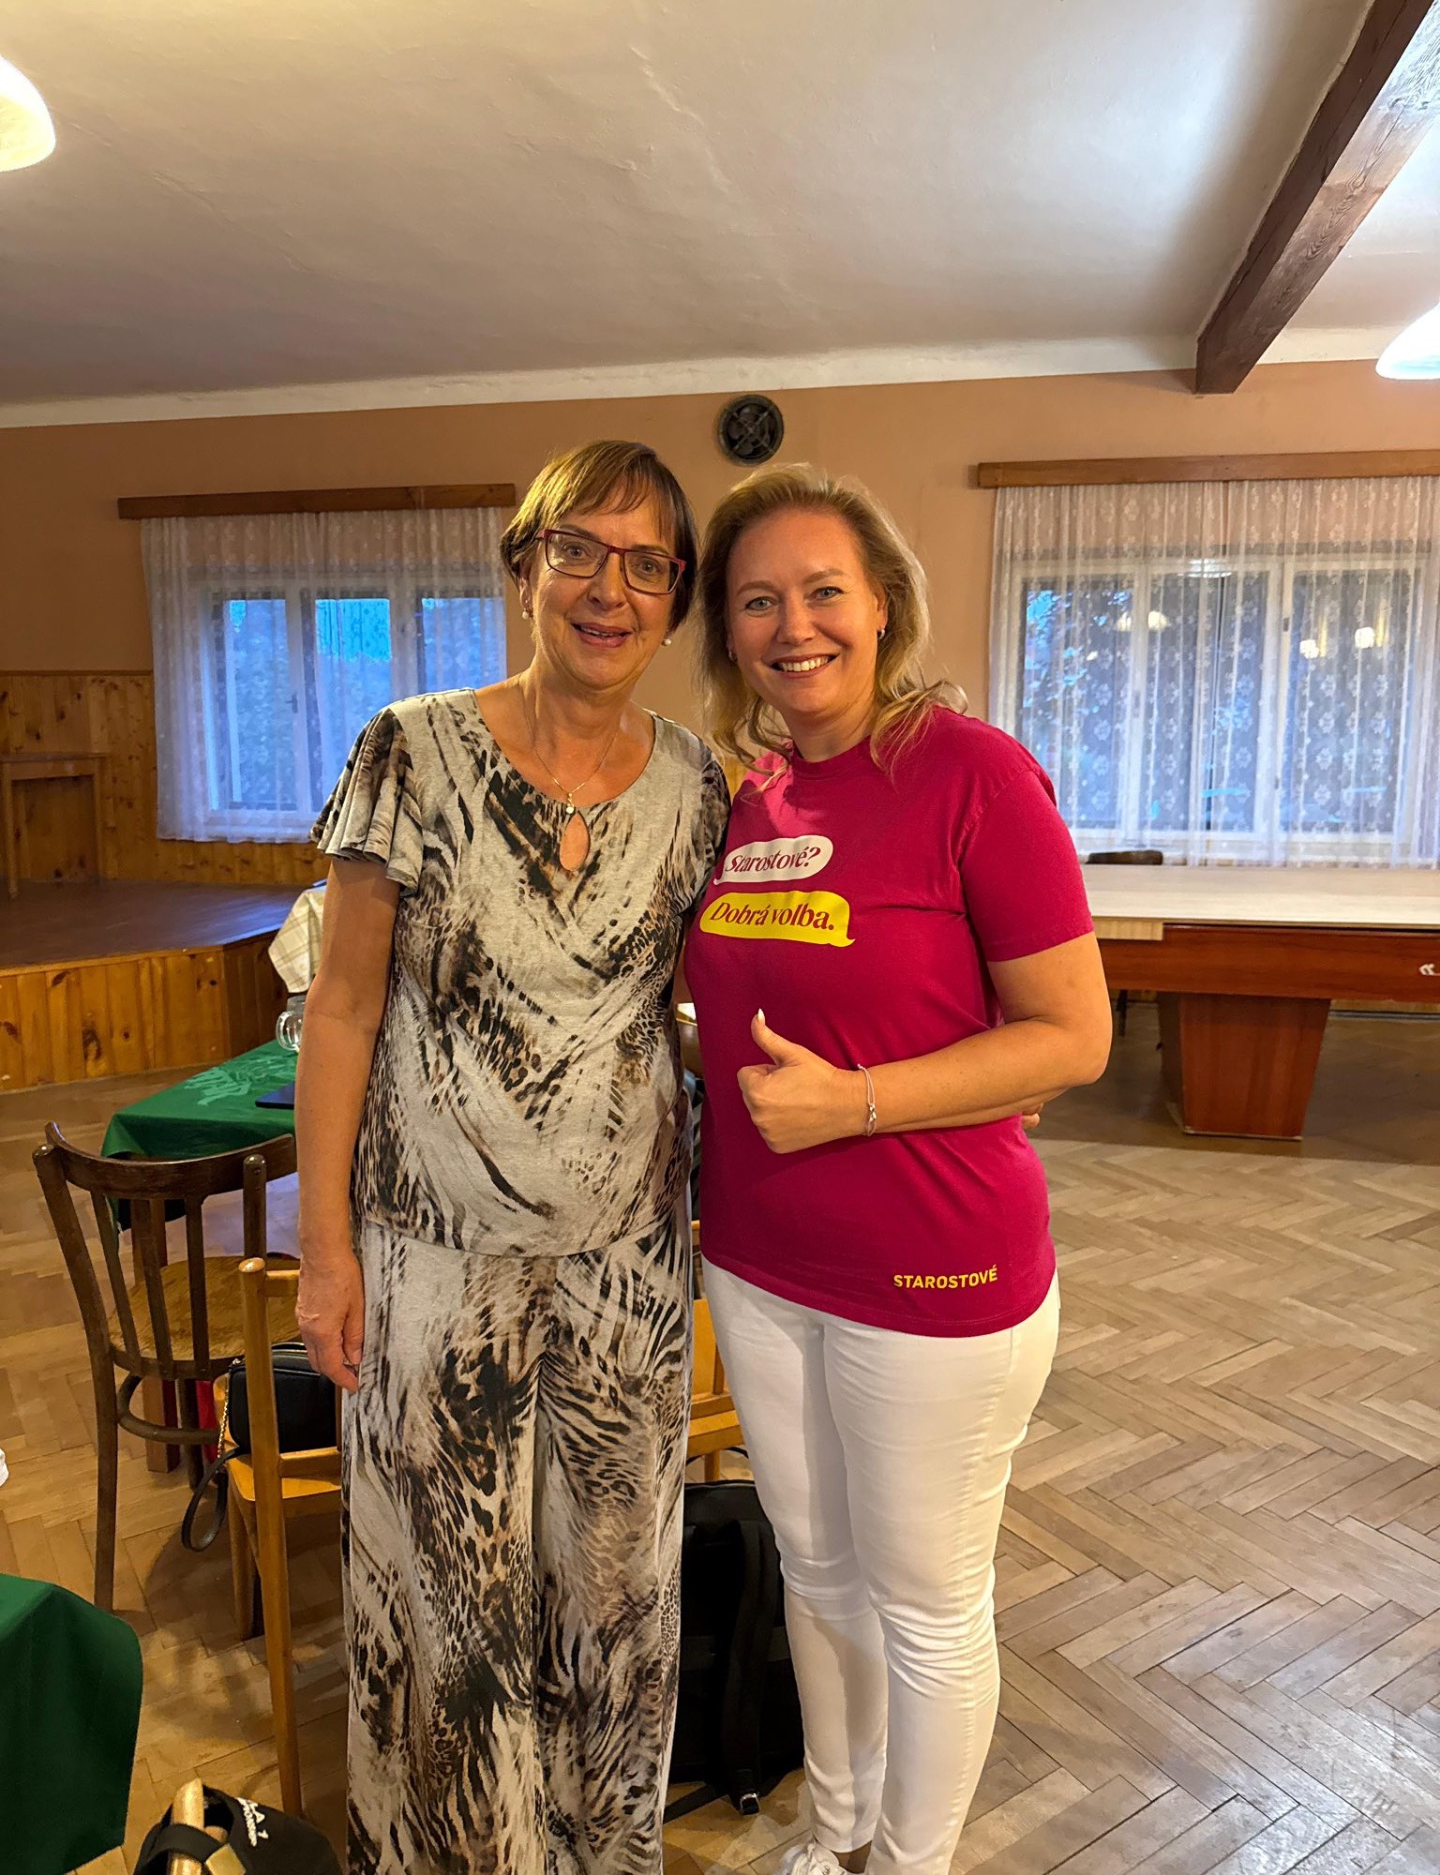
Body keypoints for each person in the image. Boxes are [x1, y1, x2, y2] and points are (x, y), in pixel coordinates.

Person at [295, 441, 729, 1875]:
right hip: (435, 1270)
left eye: (647, 564)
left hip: (624, 1275)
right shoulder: (410, 750)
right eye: (577, 551)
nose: (610, 588)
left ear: (676, 599)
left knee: (614, 1606)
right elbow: (343, 1007)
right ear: (524, 566)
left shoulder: (699, 786)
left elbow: (720, 995)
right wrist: (325, 1252)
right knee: (450, 1614)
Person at [683, 465, 1113, 1875]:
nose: (793, 624)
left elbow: (1075, 1035)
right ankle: (837, 1833)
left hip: (937, 1267)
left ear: (882, 607)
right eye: (758, 600)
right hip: (758, 1257)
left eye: (823, 591)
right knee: (817, 1572)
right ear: (728, 630)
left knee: (926, 1602)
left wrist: (858, 1102)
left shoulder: (972, 773)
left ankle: (913, 1865)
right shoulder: (749, 795)